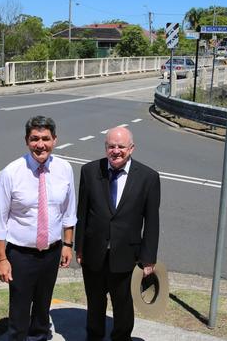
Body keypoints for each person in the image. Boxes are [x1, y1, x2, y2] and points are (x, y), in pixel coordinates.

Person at [0, 116, 77, 341]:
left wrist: (68, 244)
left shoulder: (64, 169)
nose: (41, 145)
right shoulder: (11, 172)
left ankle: (39, 336)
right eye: (35, 139)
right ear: (26, 141)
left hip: (52, 252)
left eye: (46, 139)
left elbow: (69, 211)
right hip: (20, 254)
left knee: (43, 306)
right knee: (19, 312)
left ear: (55, 140)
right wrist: (2, 259)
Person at [74, 126, 160, 341]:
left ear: (131, 148)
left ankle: (121, 337)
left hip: (126, 256)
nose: (116, 151)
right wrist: (80, 247)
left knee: (123, 305)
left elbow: (151, 222)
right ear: (105, 148)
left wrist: (148, 259)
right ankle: (94, 336)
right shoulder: (89, 171)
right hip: (94, 253)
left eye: (121, 146)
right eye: (111, 146)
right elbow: (82, 213)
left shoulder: (148, 177)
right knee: (95, 303)